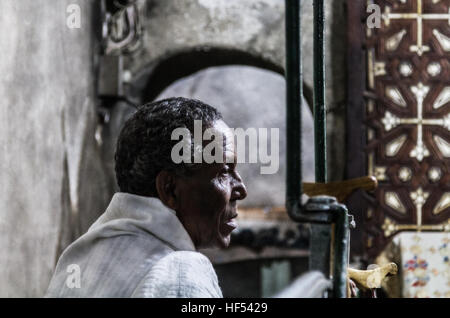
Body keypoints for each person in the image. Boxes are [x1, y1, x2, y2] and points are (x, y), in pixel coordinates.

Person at [45, 97, 247, 297]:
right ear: (170, 189)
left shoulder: (79, 259)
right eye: (224, 172)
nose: (241, 189)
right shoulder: (179, 274)